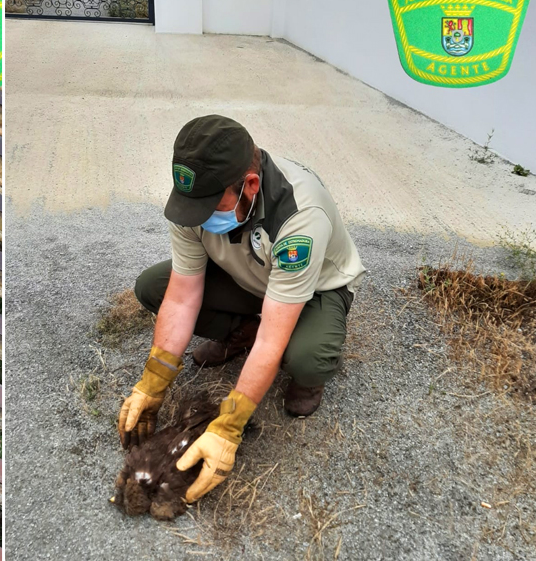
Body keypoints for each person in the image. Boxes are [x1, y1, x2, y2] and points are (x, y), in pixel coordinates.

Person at [117, 115, 365, 504]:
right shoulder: (196, 196)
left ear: (250, 185)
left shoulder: (300, 218)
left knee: (306, 358)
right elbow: (182, 296)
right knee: (155, 287)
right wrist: (154, 378)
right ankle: (241, 327)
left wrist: (229, 425)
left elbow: (272, 337)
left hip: (313, 290)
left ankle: (306, 369)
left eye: (211, 206)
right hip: (250, 276)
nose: (197, 215)